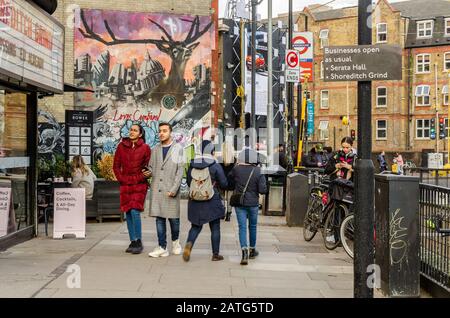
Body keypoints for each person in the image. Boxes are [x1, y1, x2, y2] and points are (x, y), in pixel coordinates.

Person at [183, 140, 229, 262]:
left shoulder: (193, 164)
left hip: (195, 200)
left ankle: (189, 245)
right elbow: (224, 183)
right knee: (215, 227)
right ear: (212, 151)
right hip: (212, 199)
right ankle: (215, 254)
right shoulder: (215, 165)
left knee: (195, 227)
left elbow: (188, 182)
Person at [113, 124, 151, 254]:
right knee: (127, 212)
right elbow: (116, 166)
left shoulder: (145, 148)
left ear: (140, 134)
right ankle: (132, 241)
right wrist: (122, 179)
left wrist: (139, 177)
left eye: (135, 130)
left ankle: (139, 241)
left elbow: (147, 169)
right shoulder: (121, 147)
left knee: (135, 211)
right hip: (125, 183)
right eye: (131, 130)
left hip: (139, 184)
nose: (132, 132)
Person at [148, 122, 184, 258]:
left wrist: (174, 189)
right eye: (160, 131)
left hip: (171, 189)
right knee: (159, 219)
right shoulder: (155, 149)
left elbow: (180, 171)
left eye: (164, 131)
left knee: (174, 219)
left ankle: (175, 242)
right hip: (157, 189)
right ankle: (162, 247)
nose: (161, 133)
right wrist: (148, 172)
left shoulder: (178, 149)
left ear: (170, 132)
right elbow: (151, 167)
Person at [228, 148, 268, 265]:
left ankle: (244, 251)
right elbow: (262, 190)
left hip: (239, 203)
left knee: (242, 227)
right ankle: (252, 250)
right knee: (253, 226)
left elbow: (229, 181)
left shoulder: (236, 169)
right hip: (253, 204)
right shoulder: (258, 171)